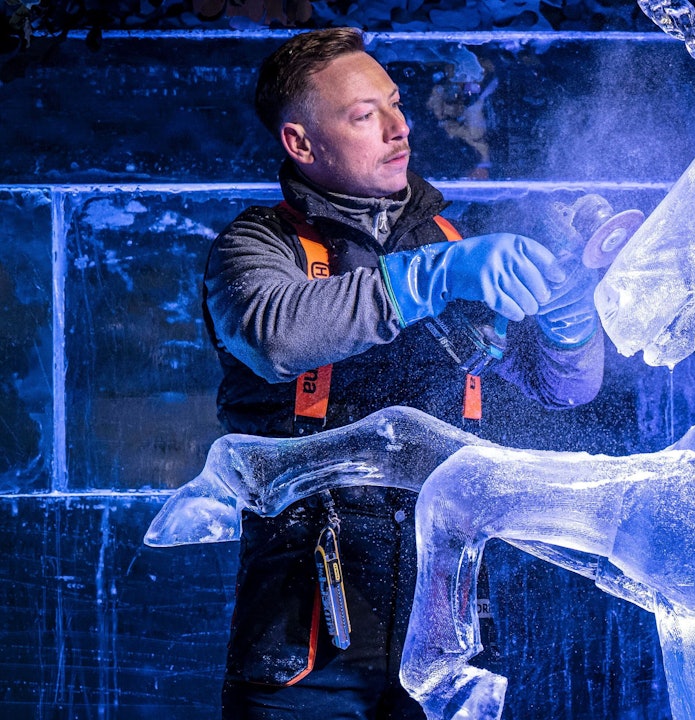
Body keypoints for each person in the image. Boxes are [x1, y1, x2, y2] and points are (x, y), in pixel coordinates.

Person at [203, 28, 604, 719]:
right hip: (302, 643)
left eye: (395, 104)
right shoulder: (257, 246)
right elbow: (274, 336)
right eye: (366, 115)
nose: (399, 128)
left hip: (449, 635)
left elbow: (562, 386)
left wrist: (570, 315)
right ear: (301, 142)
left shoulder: (459, 241)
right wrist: (429, 278)